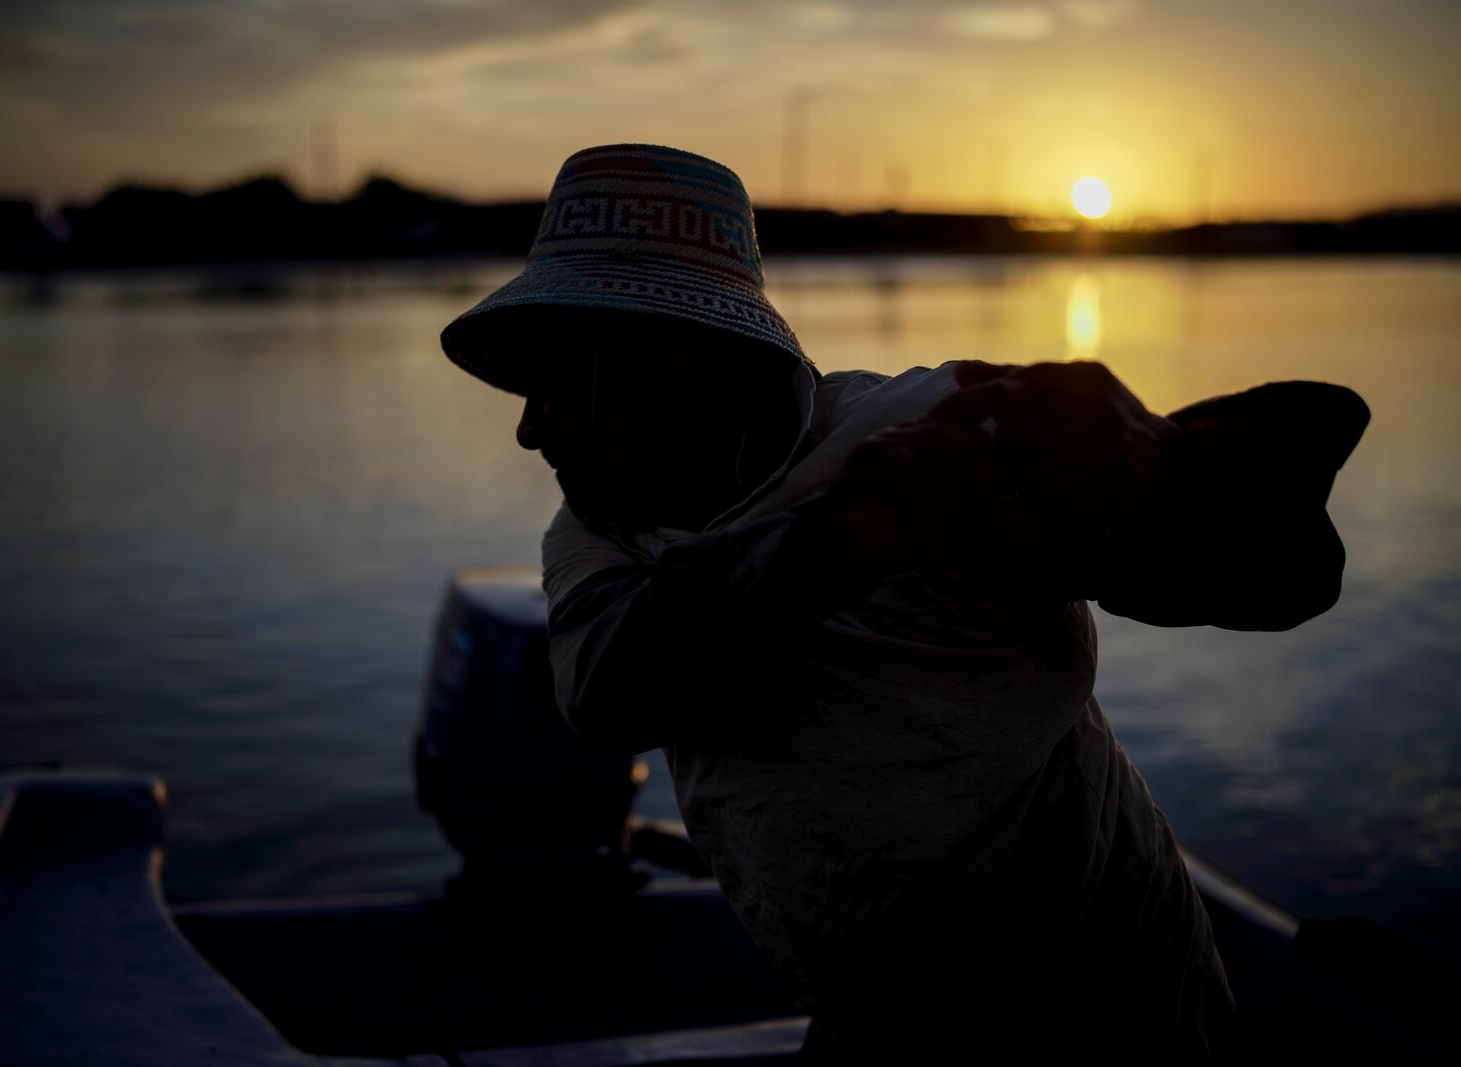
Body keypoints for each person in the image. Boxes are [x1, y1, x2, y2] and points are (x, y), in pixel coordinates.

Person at [440, 144, 1368, 1061]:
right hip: (870, 1023)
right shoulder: (597, 531)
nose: (528, 429)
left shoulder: (934, 433)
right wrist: (839, 542)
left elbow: (1287, 573)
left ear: (667, 366)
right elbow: (613, 694)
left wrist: (1153, 476)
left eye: (552, 384)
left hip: (1110, 1018)